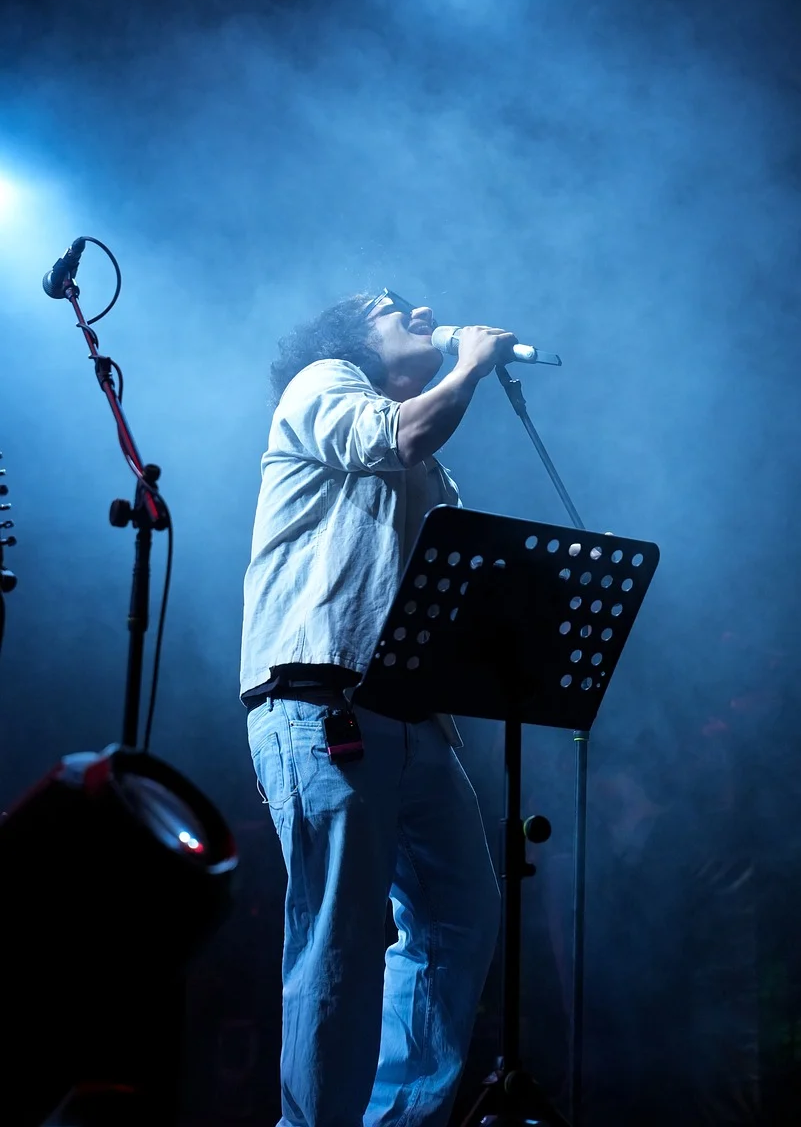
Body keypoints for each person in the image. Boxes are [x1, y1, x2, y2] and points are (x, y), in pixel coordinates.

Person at [240, 288, 516, 1127]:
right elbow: (399, 435)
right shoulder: (324, 381)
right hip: (323, 695)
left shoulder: (430, 457)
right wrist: (471, 366)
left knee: (459, 918)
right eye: (394, 306)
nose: (421, 311)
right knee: (341, 936)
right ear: (350, 336)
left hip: (412, 711)